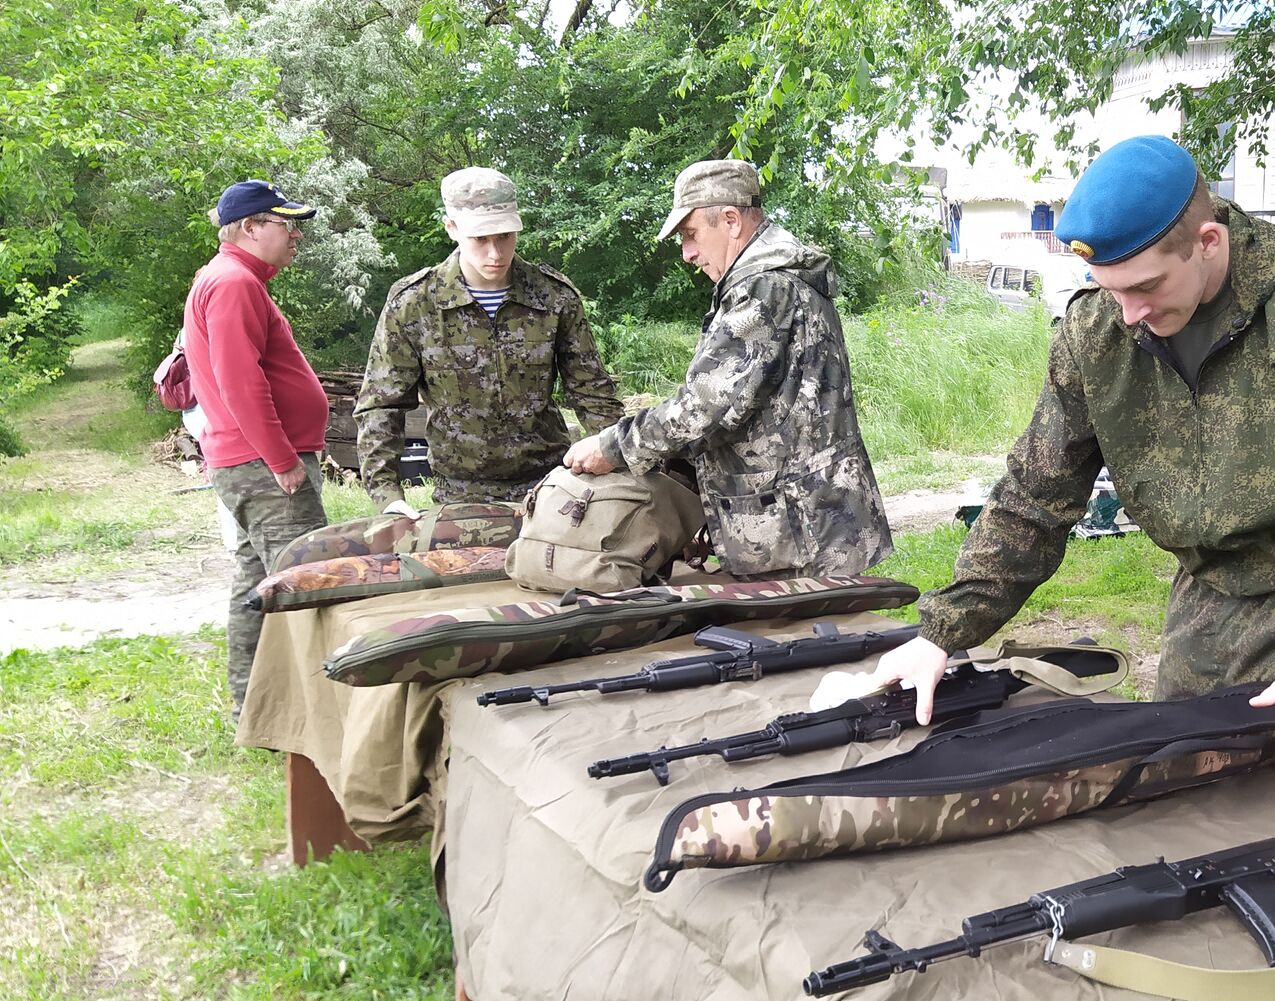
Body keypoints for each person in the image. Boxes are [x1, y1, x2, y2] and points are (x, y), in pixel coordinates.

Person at [856, 135, 1275, 781]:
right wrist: (941, 633)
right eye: (1111, 291)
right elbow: (1034, 496)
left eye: (1146, 287)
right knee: (1178, 782)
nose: (1130, 314)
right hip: (1204, 593)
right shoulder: (1098, 332)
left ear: (1208, 242)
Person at [563, 159, 891, 579]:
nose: (687, 253)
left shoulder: (765, 288)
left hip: (802, 534)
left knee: (813, 625)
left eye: (691, 234)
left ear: (732, 221)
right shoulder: (770, 280)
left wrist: (613, 447)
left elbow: (703, 407)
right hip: (804, 523)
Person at [357, 167, 624, 515]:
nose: (495, 253)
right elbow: (382, 404)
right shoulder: (415, 303)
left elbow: (594, 394)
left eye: (505, 236)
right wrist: (387, 496)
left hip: (550, 485)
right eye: (480, 239)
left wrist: (618, 462)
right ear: (451, 228)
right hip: (459, 494)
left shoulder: (553, 297)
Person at [182, 180, 330, 711]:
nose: (296, 236)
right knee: (310, 582)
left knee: (257, 583)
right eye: (286, 224)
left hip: (250, 463)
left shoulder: (232, 278)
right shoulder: (232, 283)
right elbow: (240, 384)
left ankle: (254, 707)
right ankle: (316, 713)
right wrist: (282, 460)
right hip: (262, 466)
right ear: (250, 227)